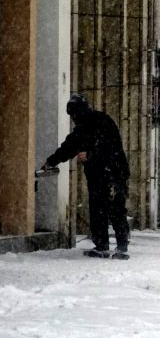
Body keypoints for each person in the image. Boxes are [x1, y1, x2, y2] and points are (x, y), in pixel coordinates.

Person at [42, 94, 131, 259]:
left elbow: (110, 146)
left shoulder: (102, 122)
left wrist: (90, 154)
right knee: (98, 209)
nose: (74, 119)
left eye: (74, 115)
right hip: (97, 174)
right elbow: (69, 147)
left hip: (112, 172)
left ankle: (122, 246)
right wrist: (51, 162)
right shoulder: (83, 128)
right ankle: (102, 245)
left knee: (114, 208)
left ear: (80, 112)